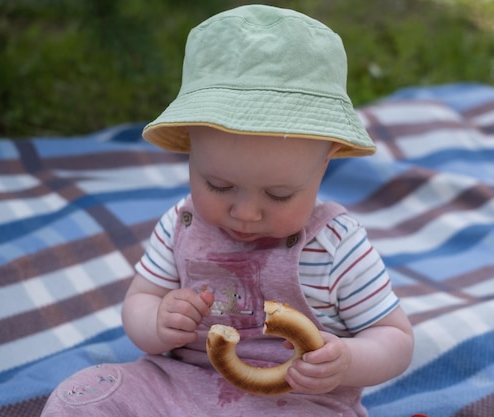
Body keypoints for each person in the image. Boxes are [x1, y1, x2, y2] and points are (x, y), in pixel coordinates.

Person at [41, 4, 414, 416]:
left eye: (278, 194)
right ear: (190, 149)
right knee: (86, 398)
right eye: (218, 185)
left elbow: (394, 337)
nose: (246, 213)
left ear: (327, 161)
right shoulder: (181, 225)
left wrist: (347, 360)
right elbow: (140, 301)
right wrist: (158, 322)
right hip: (178, 389)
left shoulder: (335, 246)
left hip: (294, 401)